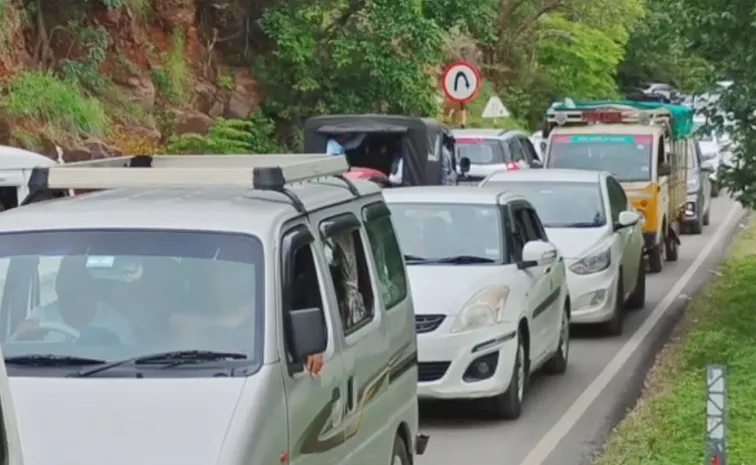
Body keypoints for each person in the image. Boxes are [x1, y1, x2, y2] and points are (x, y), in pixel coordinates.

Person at [13, 256, 135, 344]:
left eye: (80, 280)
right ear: (59, 286)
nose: (73, 288)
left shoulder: (117, 325)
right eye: (67, 280)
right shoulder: (41, 317)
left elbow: (132, 365)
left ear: (94, 288)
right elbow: (19, 338)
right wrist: (26, 334)